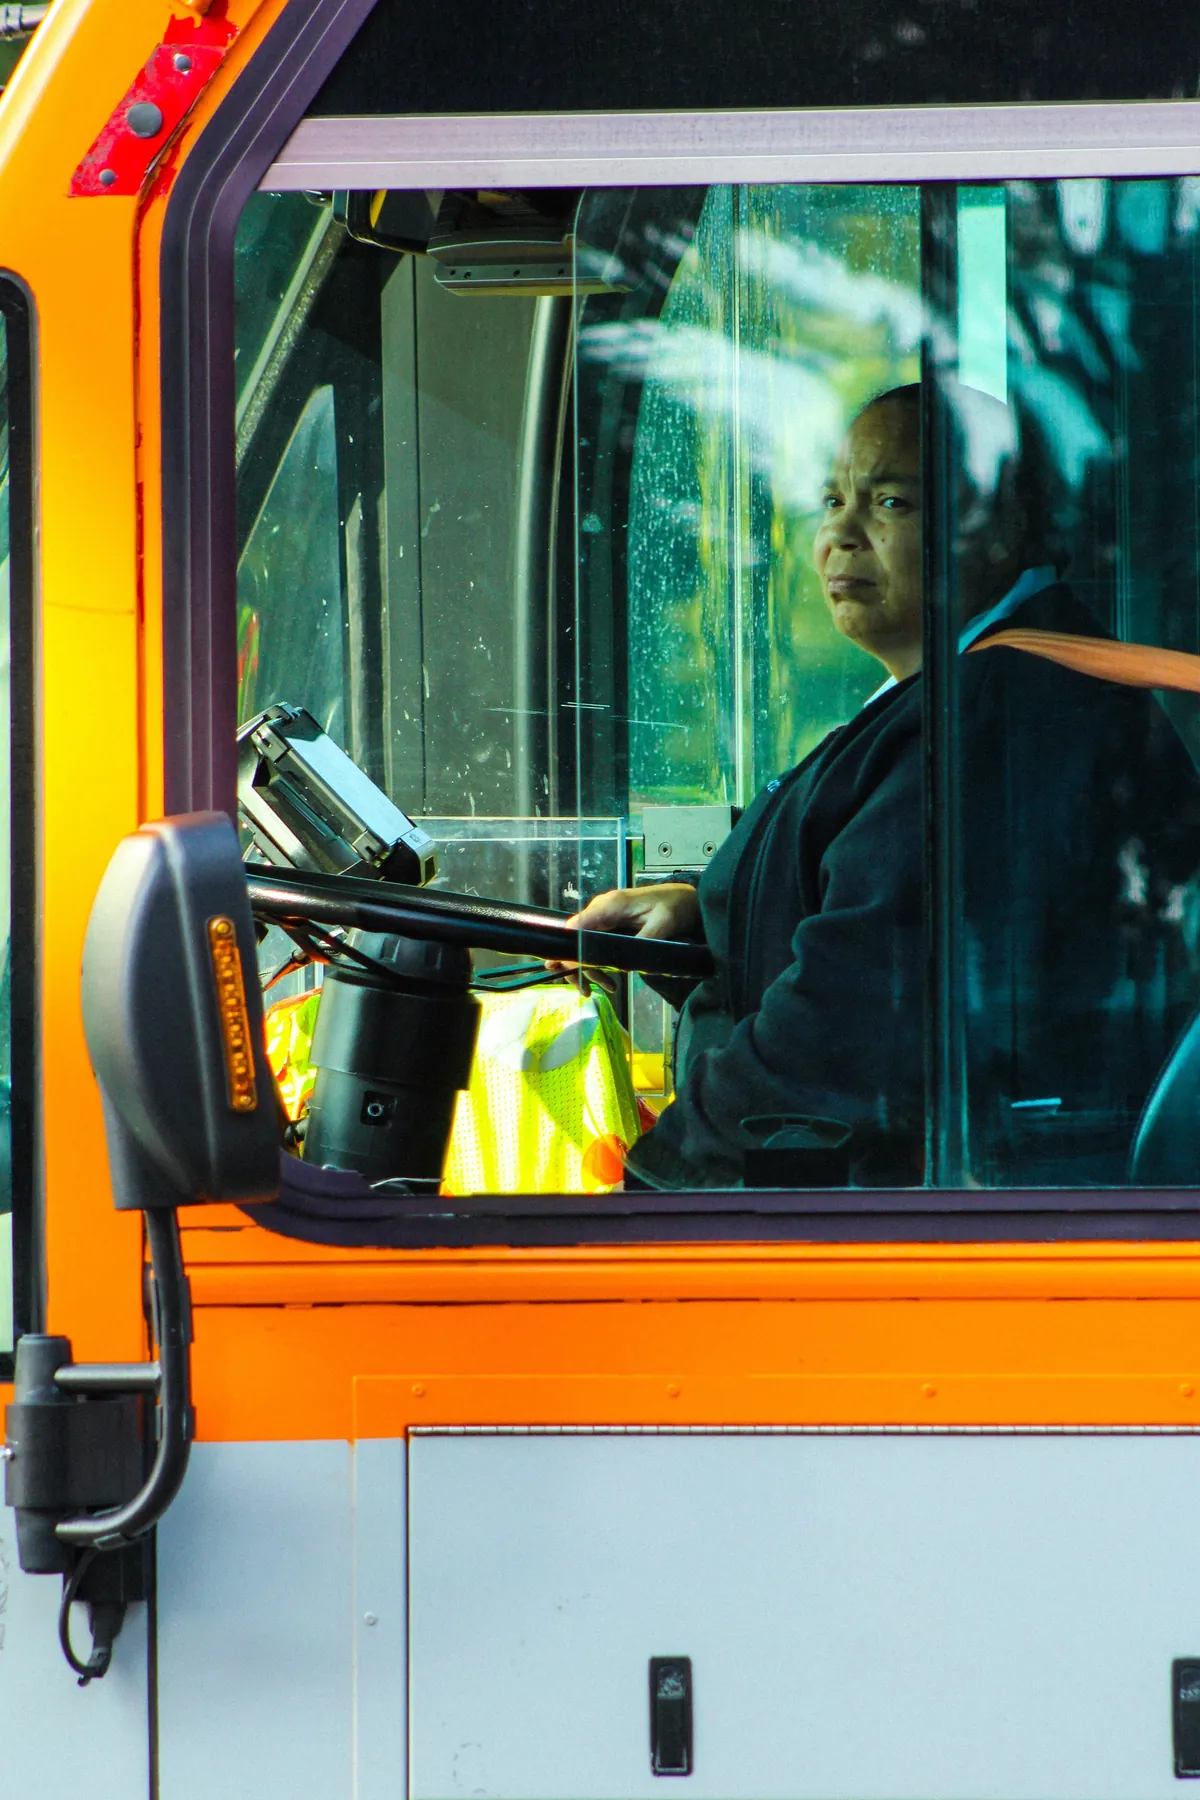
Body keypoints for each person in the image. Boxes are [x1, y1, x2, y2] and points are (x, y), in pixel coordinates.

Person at [550, 383, 1200, 1189]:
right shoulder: (960, 692)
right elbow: (891, 912)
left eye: (889, 501)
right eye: (832, 499)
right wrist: (707, 924)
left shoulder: (999, 712)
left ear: (1005, 525)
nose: (838, 536)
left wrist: (662, 1180)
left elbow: (855, 1014)